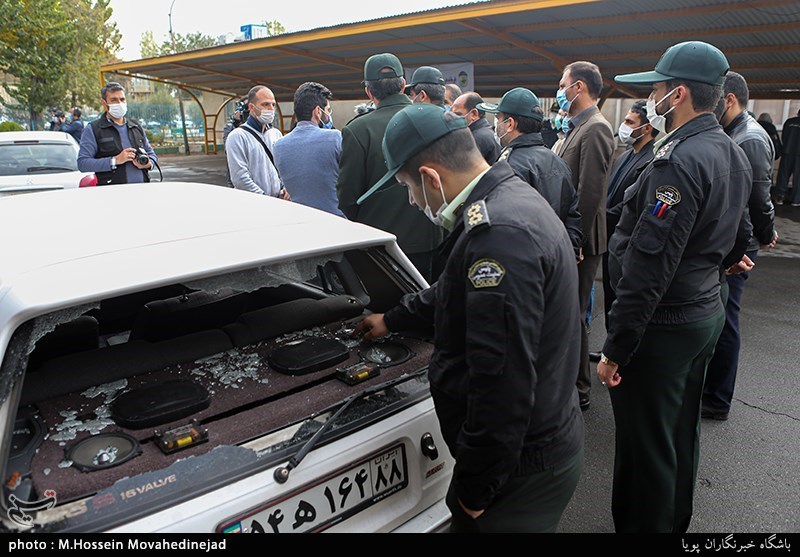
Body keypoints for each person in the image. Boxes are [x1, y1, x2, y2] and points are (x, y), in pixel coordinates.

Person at [355, 104, 583, 533]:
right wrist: (394, 318)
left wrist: (474, 490)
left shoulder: (498, 237)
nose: (411, 199)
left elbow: (502, 384)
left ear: (430, 178)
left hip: (519, 466)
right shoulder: (505, 198)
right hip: (541, 435)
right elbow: (455, 290)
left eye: (407, 186)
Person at [597, 41, 752, 533]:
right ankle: (673, 520)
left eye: (659, 89)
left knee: (647, 445)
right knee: (679, 431)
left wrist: (616, 348)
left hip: (663, 324)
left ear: (678, 93)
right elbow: (741, 230)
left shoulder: (678, 161)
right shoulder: (728, 147)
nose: (654, 98)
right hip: (701, 310)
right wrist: (722, 260)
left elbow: (648, 265)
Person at [702, 71, 778, 421]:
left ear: (728, 100)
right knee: (720, 315)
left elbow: (758, 197)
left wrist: (764, 233)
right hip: (733, 238)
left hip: (740, 243)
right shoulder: (734, 133)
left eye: (716, 99)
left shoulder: (749, 139)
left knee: (727, 319)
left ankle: (717, 399)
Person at [337, 53, 444, 283]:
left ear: (368, 91)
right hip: (432, 238)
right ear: (404, 84)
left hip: (381, 244)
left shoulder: (358, 130)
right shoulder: (436, 118)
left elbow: (347, 197)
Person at [553, 60, 615, 411]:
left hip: (582, 239)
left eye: (563, 85)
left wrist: (575, 239)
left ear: (579, 87)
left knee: (575, 314)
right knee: (566, 311)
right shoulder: (575, 127)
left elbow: (589, 191)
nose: (560, 91)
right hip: (570, 234)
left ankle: (579, 389)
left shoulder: (596, 128)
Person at [478, 87, 582, 258]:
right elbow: (573, 214)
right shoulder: (557, 160)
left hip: (525, 261)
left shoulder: (508, 166)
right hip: (556, 258)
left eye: (498, 118)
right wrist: (570, 253)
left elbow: (506, 226)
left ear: (510, 124)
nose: (496, 125)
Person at [600, 100, 657, 332]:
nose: (623, 126)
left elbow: (629, 206)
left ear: (646, 128)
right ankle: (608, 346)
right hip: (609, 238)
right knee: (609, 295)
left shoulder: (650, 161)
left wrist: (599, 219)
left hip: (625, 241)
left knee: (622, 299)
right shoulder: (624, 156)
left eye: (629, 122)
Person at [273, 82, 344, 217]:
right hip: (336, 219)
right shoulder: (335, 138)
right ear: (318, 111)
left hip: (300, 220)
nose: (329, 115)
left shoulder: (279, 146)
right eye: (328, 110)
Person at [77, 82, 157, 185]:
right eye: (114, 100)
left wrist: (148, 164)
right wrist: (115, 161)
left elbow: (152, 155)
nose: (119, 103)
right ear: (104, 103)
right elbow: (83, 163)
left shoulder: (136, 126)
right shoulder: (93, 129)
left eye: (122, 99)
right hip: (111, 193)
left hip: (142, 189)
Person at [225, 85, 288, 198]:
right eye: (265, 104)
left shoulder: (276, 134)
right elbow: (240, 178)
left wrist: (285, 188)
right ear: (252, 107)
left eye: (273, 104)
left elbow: (283, 168)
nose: (271, 109)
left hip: (277, 203)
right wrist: (262, 198)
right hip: (253, 204)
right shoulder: (237, 137)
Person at [450, 92, 500, 164]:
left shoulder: (474, 139)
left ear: (474, 114)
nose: (453, 119)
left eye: (457, 114)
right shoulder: (488, 133)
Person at [774, 108, 800, 205]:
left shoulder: (789, 122)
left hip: (787, 151)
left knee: (783, 175)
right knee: (798, 178)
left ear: (798, 113)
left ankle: (780, 198)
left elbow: (784, 136)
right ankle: (796, 200)